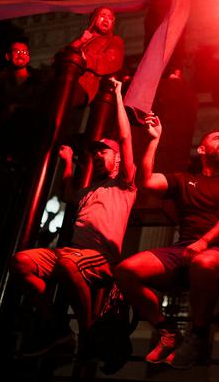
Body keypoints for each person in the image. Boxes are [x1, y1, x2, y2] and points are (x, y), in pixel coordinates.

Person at [113, 116, 219, 369]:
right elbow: (147, 182)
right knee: (126, 271)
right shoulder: (183, 179)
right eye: (218, 138)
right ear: (201, 150)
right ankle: (167, 332)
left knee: (204, 262)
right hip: (184, 249)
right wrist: (154, 140)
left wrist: (204, 242)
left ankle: (198, 335)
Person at [9, 77, 137, 356]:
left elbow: (126, 138)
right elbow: (68, 194)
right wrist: (67, 162)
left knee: (68, 263)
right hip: (72, 254)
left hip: (101, 256)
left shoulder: (124, 184)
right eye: (96, 152)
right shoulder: (90, 190)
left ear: (117, 158)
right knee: (20, 262)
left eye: (104, 151)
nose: (98, 155)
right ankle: (57, 327)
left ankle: (87, 332)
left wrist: (118, 94)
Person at [68, 7, 125, 106]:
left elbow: (111, 61)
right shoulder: (84, 37)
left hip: (82, 87)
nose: (106, 19)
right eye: (102, 16)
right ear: (94, 19)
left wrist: (85, 58)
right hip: (66, 78)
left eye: (110, 18)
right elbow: (63, 55)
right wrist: (80, 41)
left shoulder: (114, 40)